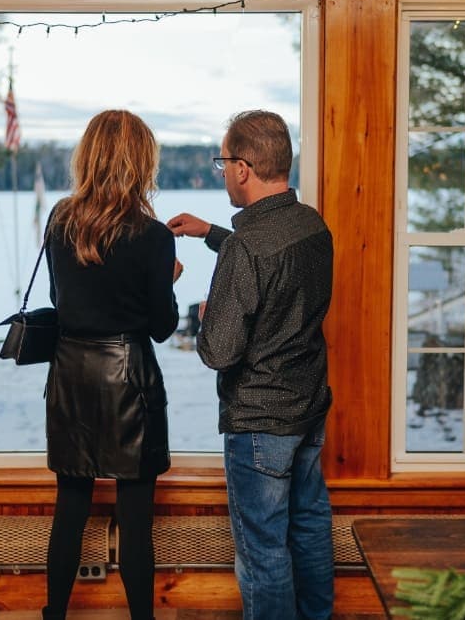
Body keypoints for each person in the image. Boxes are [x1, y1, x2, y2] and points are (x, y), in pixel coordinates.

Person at [167, 110, 334, 620]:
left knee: (262, 551)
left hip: (260, 424)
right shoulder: (310, 223)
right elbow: (269, 255)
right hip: (309, 413)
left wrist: (204, 316)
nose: (223, 174)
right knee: (307, 526)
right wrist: (211, 232)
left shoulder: (246, 249)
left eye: (223, 164)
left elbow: (218, 352)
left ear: (242, 168)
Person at [42, 109, 183, 620]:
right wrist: (167, 280)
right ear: (141, 162)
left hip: (71, 374)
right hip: (129, 378)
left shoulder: (59, 219)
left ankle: (52, 615)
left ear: (89, 156)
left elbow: (62, 302)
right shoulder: (152, 236)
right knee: (136, 516)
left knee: (70, 507)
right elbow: (163, 327)